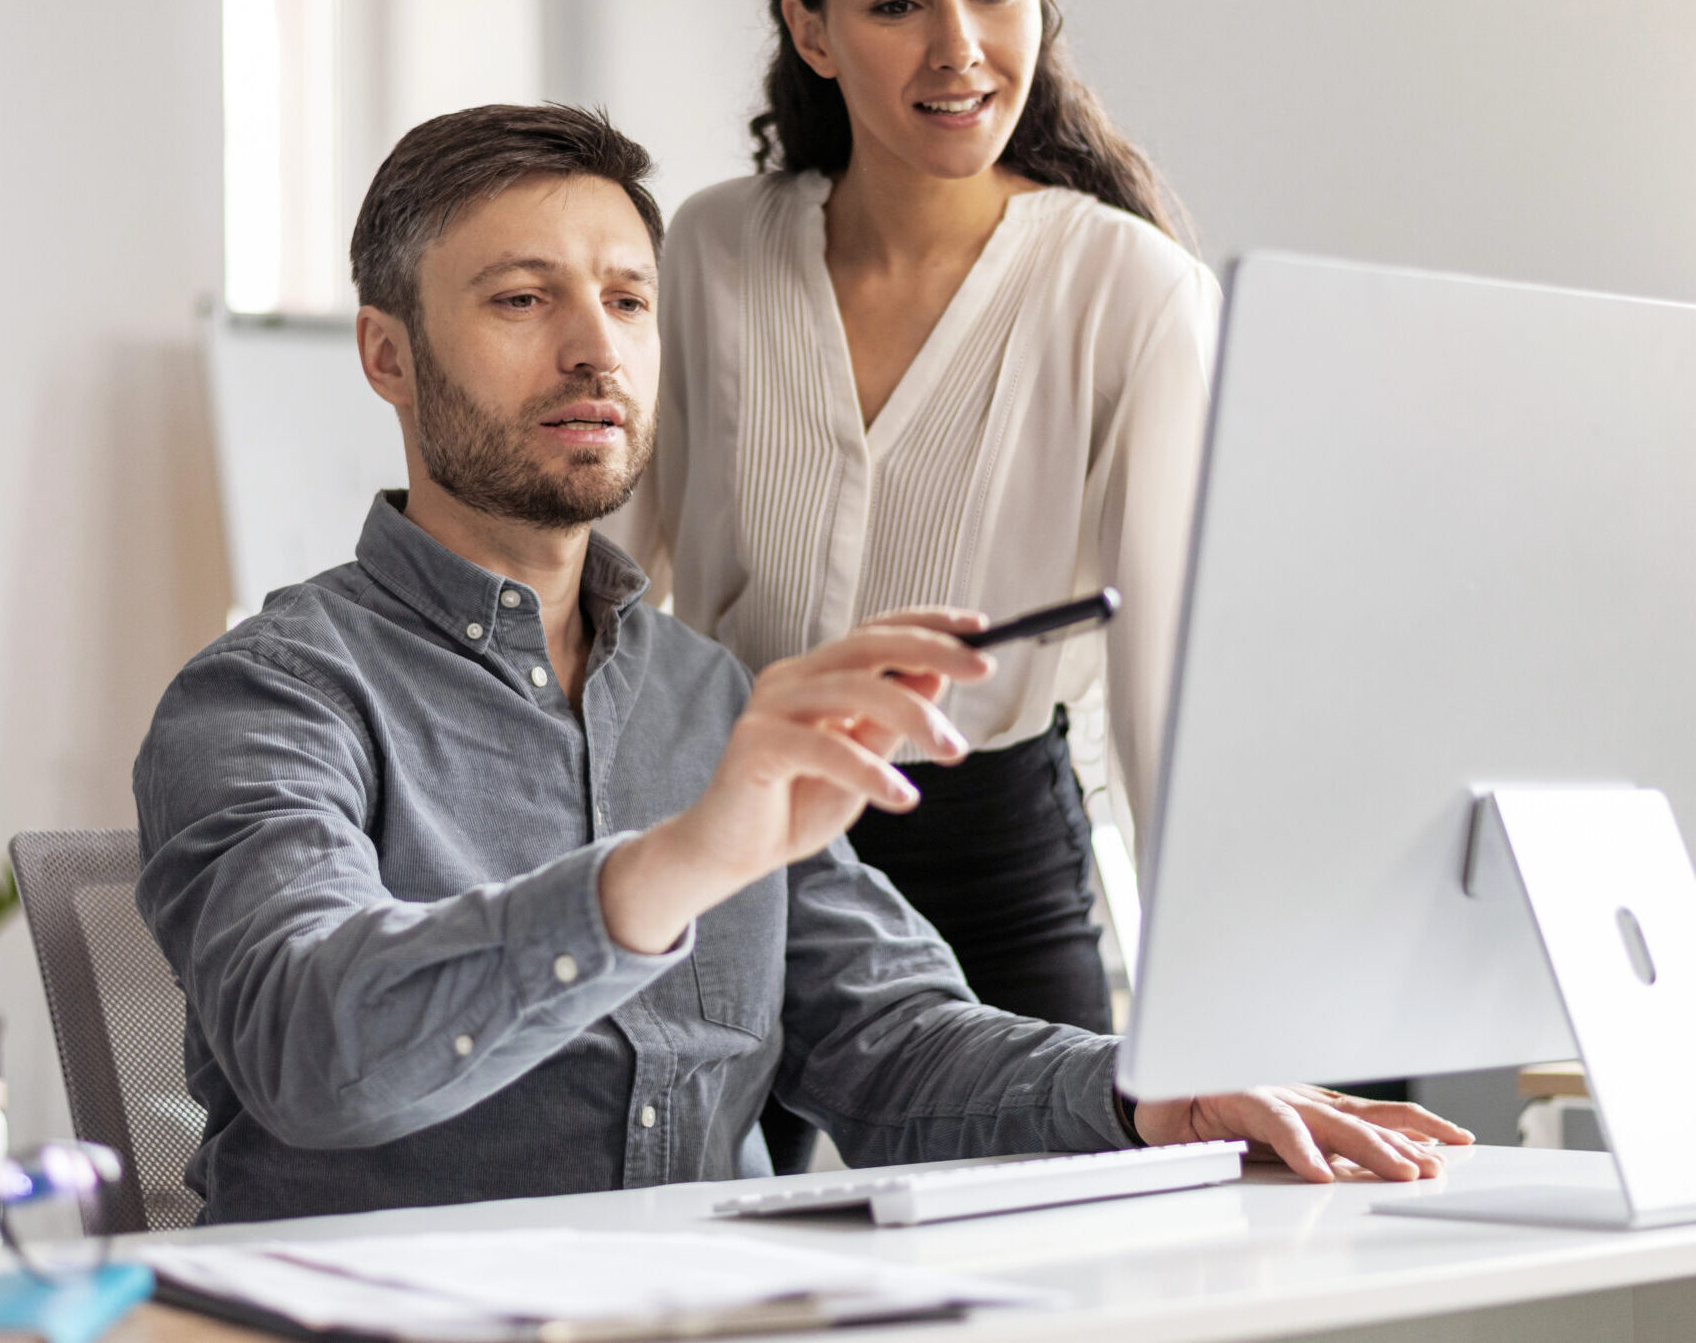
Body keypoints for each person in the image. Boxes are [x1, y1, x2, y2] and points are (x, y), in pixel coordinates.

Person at [133, 103, 1464, 1225]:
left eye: (629, 298)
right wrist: (681, 861)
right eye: (523, 298)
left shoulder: (704, 696)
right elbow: (312, 1048)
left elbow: (887, 1043)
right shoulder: (268, 694)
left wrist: (1150, 1092)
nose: (594, 345)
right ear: (387, 354)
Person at [628, 0, 1214, 1054]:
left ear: (1037, 2)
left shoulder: (1134, 291)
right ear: (811, 32)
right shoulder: (712, 247)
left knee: (1043, 1237)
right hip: (725, 838)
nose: (959, 49)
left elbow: (1166, 686)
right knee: (694, 1238)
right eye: (896, 5)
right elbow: (615, 583)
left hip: (992, 867)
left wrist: (1210, 1017)